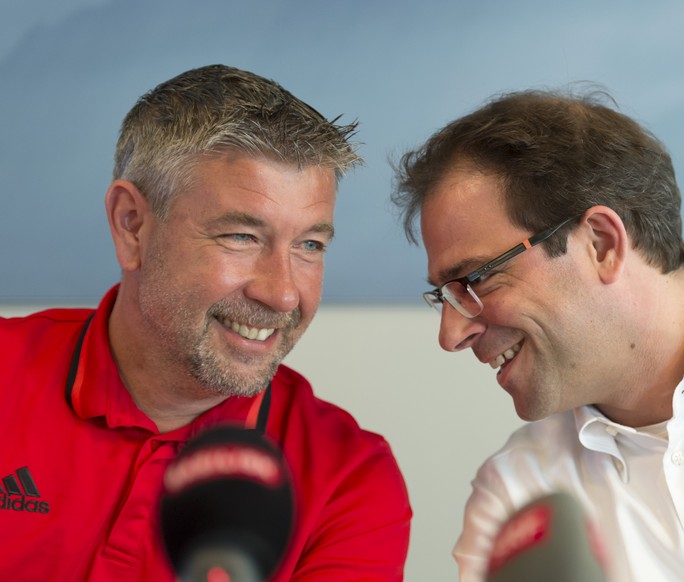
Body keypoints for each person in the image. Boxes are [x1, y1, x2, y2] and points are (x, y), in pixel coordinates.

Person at [391, 89, 684, 581]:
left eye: (475, 279)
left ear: (601, 243)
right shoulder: (517, 498)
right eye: (444, 296)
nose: (450, 335)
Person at [0, 64, 411, 581]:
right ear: (132, 226)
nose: (283, 293)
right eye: (241, 236)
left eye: (310, 245)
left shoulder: (349, 477)